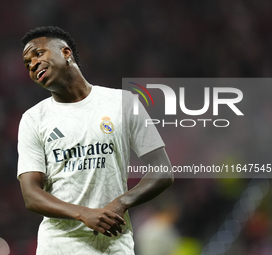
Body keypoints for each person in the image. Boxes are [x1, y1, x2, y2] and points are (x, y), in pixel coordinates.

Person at [17, 26, 173, 255]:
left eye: (38, 54)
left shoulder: (123, 102)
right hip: (59, 246)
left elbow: (162, 171)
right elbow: (31, 195)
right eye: (27, 63)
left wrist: (121, 203)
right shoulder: (33, 119)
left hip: (113, 245)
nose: (32, 64)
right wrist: (84, 213)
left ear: (66, 53)